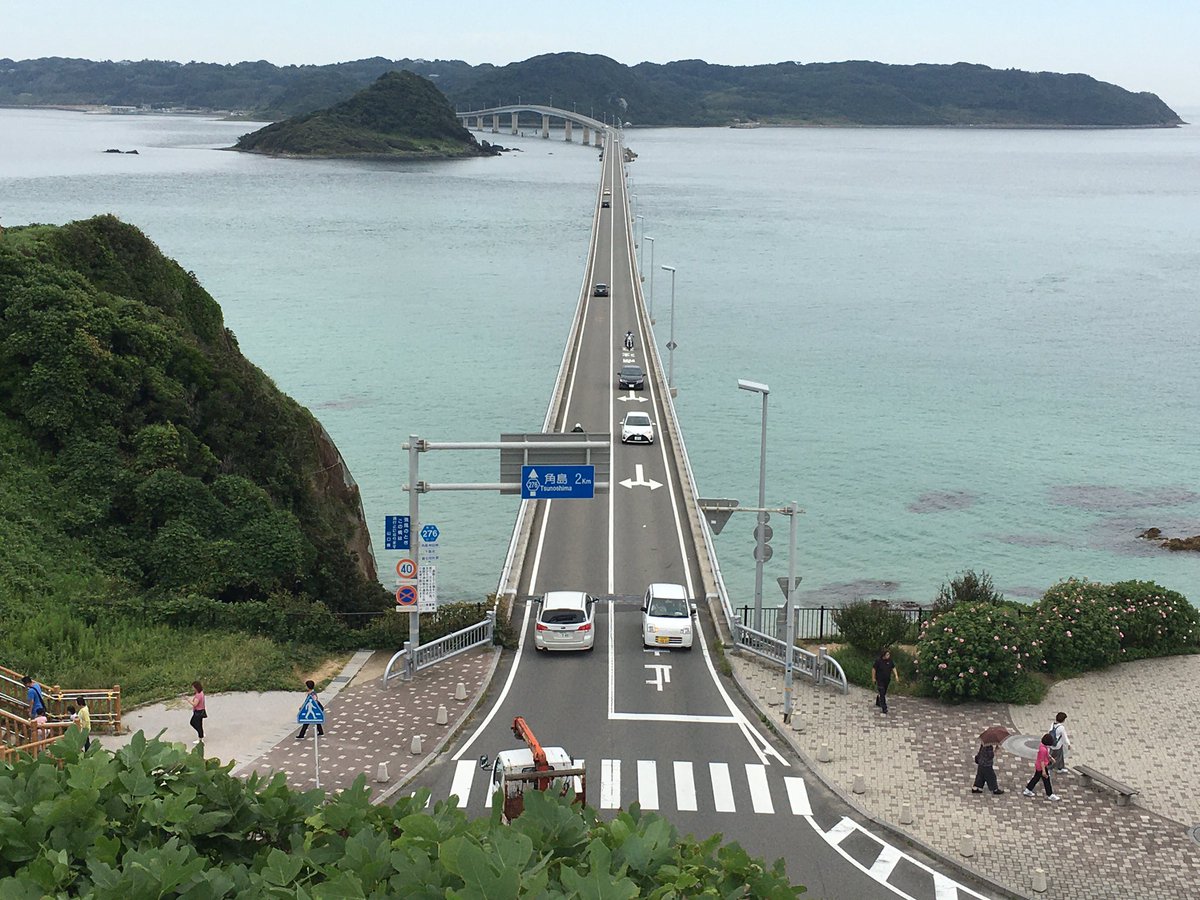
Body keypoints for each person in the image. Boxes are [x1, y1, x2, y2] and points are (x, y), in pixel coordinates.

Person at [1023, 732, 1060, 801]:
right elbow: (1042, 761)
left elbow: (1046, 754)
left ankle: (1028, 789)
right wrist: (1043, 771)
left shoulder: (1042, 746)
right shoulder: (1043, 749)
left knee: (1036, 778)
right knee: (1046, 780)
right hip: (1041, 767)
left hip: (1038, 766)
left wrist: (1050, 758)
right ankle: (1050, 794)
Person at [871, 649, 899, 714]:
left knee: (883, 692)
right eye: (887, 654)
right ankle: (884, 708)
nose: (888, 656)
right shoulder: (878, 661)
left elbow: (893, 668)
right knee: (882, 692)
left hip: (887, 680)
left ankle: (878, 700)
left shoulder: (890, 661)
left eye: (889, 654)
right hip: (880, 680)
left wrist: (896, 676)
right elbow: (873, 669)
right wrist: (873, 678)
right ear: (883, 655)